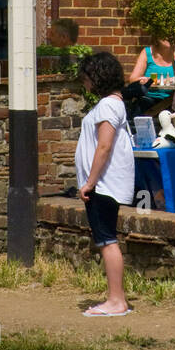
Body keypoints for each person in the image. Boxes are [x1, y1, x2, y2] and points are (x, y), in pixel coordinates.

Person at [74, 52, 135, 318]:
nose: (84, 83)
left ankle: (116, 300)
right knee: (105, 238)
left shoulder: (109, 106)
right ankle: (115, 298)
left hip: (103, 186)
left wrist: (90, 182)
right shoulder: (111, 104)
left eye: (86, 78)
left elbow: (104, 145)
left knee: (107, 240)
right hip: (102, 185)